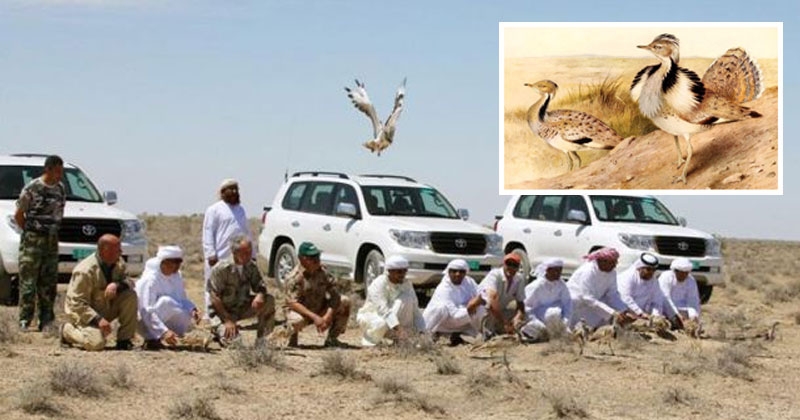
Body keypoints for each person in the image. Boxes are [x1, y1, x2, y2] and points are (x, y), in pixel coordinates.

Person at [15, 154, 66, 332]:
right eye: (57, 171)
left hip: (51, 241)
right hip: (33, 240)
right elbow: (19, 215)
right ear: (48, 169)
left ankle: (46, 319)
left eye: (62, 171)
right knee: (28, 281)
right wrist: (31, 233)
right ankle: (24, 319)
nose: (60, 174)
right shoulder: (32, 188)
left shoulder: (60, 189)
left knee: (49, 282)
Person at [61, 234, 138, 351]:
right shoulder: (85, 271)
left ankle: (124, 340)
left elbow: (130, 282)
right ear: (105, 251)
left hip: (104, 306)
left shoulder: (118, 262)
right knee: (95, 344)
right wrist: (98, 320)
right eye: (118, 250)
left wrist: (116, 285)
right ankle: (67, 331)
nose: (121, 252)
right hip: (83, 315)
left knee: (130, 295)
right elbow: (77, 303)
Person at [208, 235, 275, 347]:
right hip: (223, 313)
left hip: (241, 306)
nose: (249, 255)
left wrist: (260, 294)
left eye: (250, 252)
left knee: (268, 300)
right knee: (235, 344)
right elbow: (214, 297)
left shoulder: (251, 266)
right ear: (235, 253)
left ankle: (263, 340)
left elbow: (260, 285)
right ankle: (218, 330)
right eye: (245, 253)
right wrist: (227, 320)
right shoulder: (221, 269)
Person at [284, 242, 351, 348]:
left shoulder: (323, 272)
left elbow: (335, 295)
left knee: (344, 301)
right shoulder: (294, 277)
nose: (317, 260)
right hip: (302, 313)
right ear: (301, 259)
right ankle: (291, 339)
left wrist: (328, 315)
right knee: (296, 321)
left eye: (317, 256)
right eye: (312, 257)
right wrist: (315, 318)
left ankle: (332, 340)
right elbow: (293, 303)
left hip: (319, 308)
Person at [202, 179, 253, 316]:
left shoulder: (241, 210)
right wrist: (211, 253)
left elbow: (247, 232)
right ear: (223, 192)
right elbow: (208, 232)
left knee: (235, 285)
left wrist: (252, 254)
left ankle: (233, 313)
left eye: (236, 189)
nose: (235, 192)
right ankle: (211, 314)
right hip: (220, 254)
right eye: (231, 189)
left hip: (238, 256)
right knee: (214, 285)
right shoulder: (214, 209)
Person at [136, 245, 201, 350]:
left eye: (179, 262)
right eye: (174, 262)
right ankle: (151, 339)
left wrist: (192, 309)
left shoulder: (176, 276)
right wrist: (163, 331)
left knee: (186, 312)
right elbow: (146, 310)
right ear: (164, 262)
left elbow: (181, 299)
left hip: (162, 318)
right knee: (166, 302)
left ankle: (172, 336)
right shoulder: (151, 279)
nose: (177, 266)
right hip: (144, 322)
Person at [356, 255, 425, 347]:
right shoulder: (378, 284)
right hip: (373, 315)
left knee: (407, 299)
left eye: (405, 271)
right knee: (382, 323)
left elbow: (415, 311)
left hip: (394, 319)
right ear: (390, 271)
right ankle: (371, 340)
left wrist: (422, 331)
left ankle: (399, 339)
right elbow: (383, 310)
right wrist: (399, 330)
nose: (403, 274)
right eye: (399, 271)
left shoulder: (407, 284)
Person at [567, 247, 636, 329]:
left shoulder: (611, 273)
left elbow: (612, 294)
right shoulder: (588, 271)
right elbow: (587, 297)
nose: (616, 265)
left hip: (593, 303)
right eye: (613, 262)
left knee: (606, 304)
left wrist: (624, 310)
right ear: (602, 261)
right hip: (576, 302)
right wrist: (612, 313)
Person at [422, 259, 485, 345]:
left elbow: (482, 295)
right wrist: (471, 306)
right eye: (454, 271)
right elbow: (455, 316)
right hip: (444, 322)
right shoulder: (444, 288)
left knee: (482, 307)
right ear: (449, 272)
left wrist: (478, 302)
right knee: (441, 308)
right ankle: (423, 336)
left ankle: (472, 335)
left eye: (461, 271)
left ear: (465, 273)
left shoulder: (469, 282)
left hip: (461, 320)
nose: (458, 274)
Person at [520, 258, 571, 342]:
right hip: (537, 317)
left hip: (555, 317)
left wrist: (566, 321)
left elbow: (567, 303)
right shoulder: (536, 286)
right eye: (556, 271)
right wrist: (535, 321)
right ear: (548, 270)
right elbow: (527, 307)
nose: (558, 274)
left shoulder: (561, 284)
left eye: (560, 271)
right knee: (538, 330)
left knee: (556, 314)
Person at [477, 253, 526, 338]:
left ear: (518, 267)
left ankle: (503, 330)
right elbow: (493, 300)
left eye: (514, 265)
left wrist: (518, 317)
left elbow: (520, 302)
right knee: (489, 309)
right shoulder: (494, 275)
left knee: (524, 315)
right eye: (508, 264)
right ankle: (486, 333)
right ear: (503, 264)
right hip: (482, 310)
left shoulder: (519, 279)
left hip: (499, 311)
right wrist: (504, 323)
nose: (511, 267)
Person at [617, 252, 666, 320]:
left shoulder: (654, 281)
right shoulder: (628, 277)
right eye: (648, 269)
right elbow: (625, 298)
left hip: (643, 315)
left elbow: (657, 301)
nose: (651, 272)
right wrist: (640, 313)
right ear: (640, 268)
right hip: (625, 311)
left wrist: (655, 316)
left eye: (653, 270)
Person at [659, 258, 702, 329]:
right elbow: (665, 298)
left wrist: (694, 316)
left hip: (682, 310)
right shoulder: (666, 277)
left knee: (693, 324)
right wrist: (676, 315)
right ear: (675, 271)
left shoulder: (690, 280)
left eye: (686, 273)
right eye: (682, 273)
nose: (684, 275)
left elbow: (693, 300)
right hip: (665, 308)